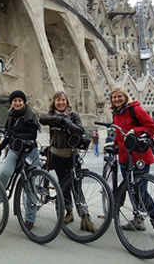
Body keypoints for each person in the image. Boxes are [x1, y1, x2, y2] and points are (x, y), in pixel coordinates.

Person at [103, 86, 154, 241]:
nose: (116, 99)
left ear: (125, 97)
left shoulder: (135, 110)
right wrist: (113, 144)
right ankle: (138, 219)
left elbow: (151, 126)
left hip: (140, 156)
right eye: (114, 97)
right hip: (124, 158)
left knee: (141, 192)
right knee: (132, 190)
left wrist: (135, 131)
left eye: (119, 97)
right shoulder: (116, 114)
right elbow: (120, 133)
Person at [39, 91, 98, 233]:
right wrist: (59, 120)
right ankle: (69, 212)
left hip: (72, 155)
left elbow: (80, 130)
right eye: (58, 100)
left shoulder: (74, 115)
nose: (61, 103)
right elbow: (42, 119)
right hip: (56, 155)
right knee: (63, 185)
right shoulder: (51, 115)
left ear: (67, 102)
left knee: (76, 185)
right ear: (54, 102)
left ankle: (85, 216)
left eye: (63, 100)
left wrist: (67, 123)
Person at [0, 90, 39, 230]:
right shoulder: (10, 116)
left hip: (29, 151)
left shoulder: (30, 115)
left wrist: (17, 134)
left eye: (19, 100)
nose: (17, 103)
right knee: (5, 173)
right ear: (12, 103)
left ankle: (30, 218)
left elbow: (32, 135)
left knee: (29, 183)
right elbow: (8, 136)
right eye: (14, 101)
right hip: (15, 149)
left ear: (24, 102)